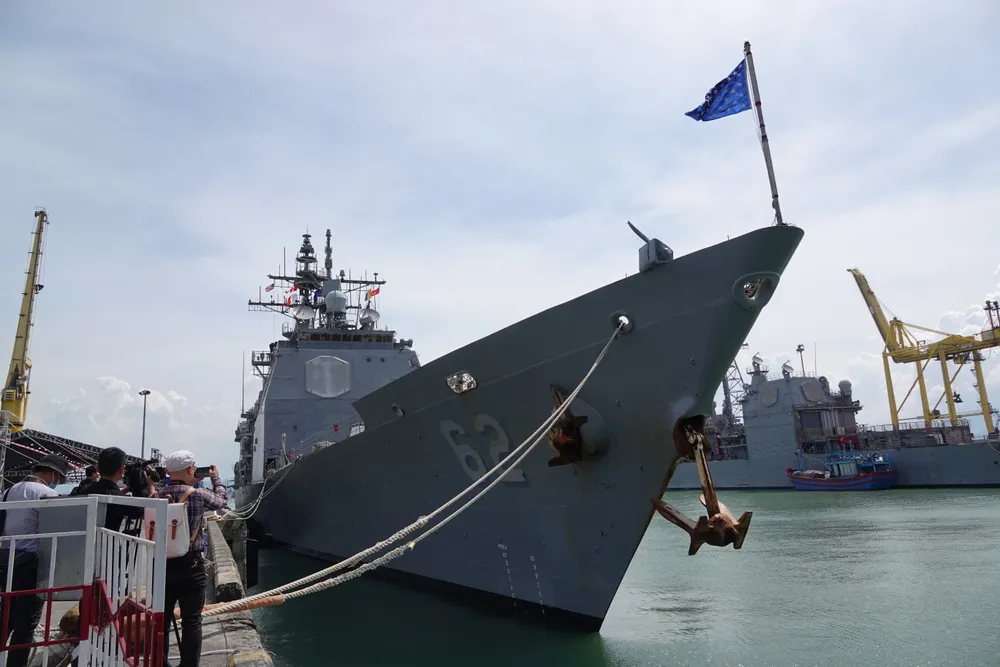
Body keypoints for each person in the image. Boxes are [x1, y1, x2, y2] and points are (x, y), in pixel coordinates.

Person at [0, 454, 69, 667]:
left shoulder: (8, 491)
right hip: (30, 565)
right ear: (54, 474)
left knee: (6, 619)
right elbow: (55, 530)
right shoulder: (47, 494)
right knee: (26, 625)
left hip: (5, 561)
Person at [160, 450, 227, 667]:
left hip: (162, 565)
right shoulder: (197, 495)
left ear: (168, 471)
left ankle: (161, 662)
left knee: (161, 620)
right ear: (191, 469)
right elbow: (221, 502)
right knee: (191, 621)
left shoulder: (157, 496)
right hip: (191, 565)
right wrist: (215, 478)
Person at [82, 447, 156, 531]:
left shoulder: (81, 490)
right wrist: (151, 485)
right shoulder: (121, 500)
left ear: (98, 468)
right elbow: (152, 514)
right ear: (121, 470)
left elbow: (108, 491)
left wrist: (128, 488)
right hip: (109, 543)